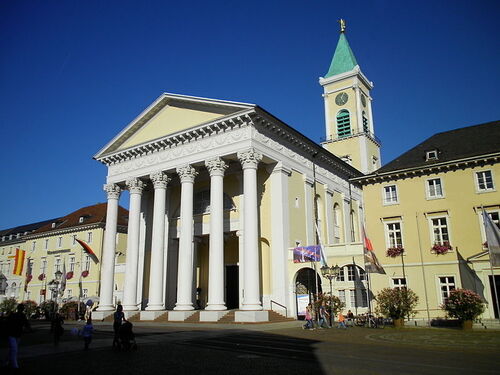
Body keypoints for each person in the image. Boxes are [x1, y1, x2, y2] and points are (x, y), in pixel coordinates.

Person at [6, 304, 32, 369]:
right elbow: (27, 325)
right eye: (22, 308)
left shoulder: (21, 316)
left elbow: (27, 324)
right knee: (14, 349)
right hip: (12, 335)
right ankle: (15, 365)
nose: (22, 309)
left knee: (12, 349)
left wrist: (30, 329)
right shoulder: (16, 315)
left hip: (17, 335)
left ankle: (7, 361)